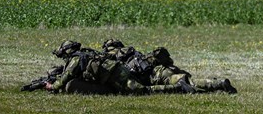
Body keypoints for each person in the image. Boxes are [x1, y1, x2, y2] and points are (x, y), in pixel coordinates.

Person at [46, 39, 182, 95]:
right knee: (137, 90)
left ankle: (176, 88)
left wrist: (53, 86)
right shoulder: (83, 56)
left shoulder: (76, 58)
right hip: (114, 74)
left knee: (141, 91)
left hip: (117, 74)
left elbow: (67, 75)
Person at [146, 46, 237, 94]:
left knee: (189, 84)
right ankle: (219, 86)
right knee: (190, 82)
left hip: (163, 74)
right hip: (169, 69)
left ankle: (219, 84)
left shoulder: (135, 67)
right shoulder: (144, 57)